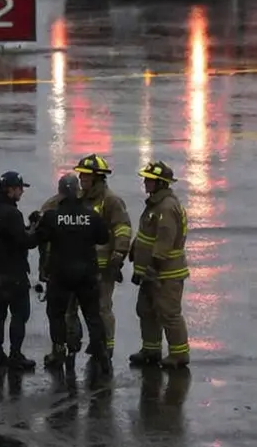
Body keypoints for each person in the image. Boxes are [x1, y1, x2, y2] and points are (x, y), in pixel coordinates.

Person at [34, 155, 133, 355]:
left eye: (86, 176)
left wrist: (119, 255)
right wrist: (40, 217)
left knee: (101, 309)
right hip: (78, 267)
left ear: (98, 178)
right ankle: (72, 344)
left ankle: (105, 349)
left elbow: (122, 228)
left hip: (103, 268)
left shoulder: (111, 201)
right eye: (81, 176)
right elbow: (52, 207)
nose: (82, 179)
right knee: (70, 310)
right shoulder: (76, 197)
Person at [33, 173, 111, 371]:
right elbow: (103, 238)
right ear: (77, 191)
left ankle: (59, 351)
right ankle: (102, 355)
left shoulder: (52, 216)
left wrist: (36, 223)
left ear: (60, 193)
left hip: (60, 274)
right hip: (86, 273)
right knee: (92, 315)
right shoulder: (91, 214)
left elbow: (38, 239)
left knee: (57, 314)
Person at [129, 161, 191, 368]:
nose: (145, 183)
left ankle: (179, 355)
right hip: (150, 273)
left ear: (160, 184)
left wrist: (153, 267)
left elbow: (165, 240)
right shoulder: (155, 205)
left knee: (168, 313)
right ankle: (151, 350)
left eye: (149, 180)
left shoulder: (166, 207)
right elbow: (147, 234)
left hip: (165, 274)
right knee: (146, 310)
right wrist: (134, 251)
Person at [0, 170, 39, 370]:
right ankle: (15, 355)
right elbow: (25, 241)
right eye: (20, 188)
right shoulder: (12, 214)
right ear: (11, 190)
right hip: (13, 273)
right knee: (20, 315)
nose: (22, 192)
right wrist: (37, 230)